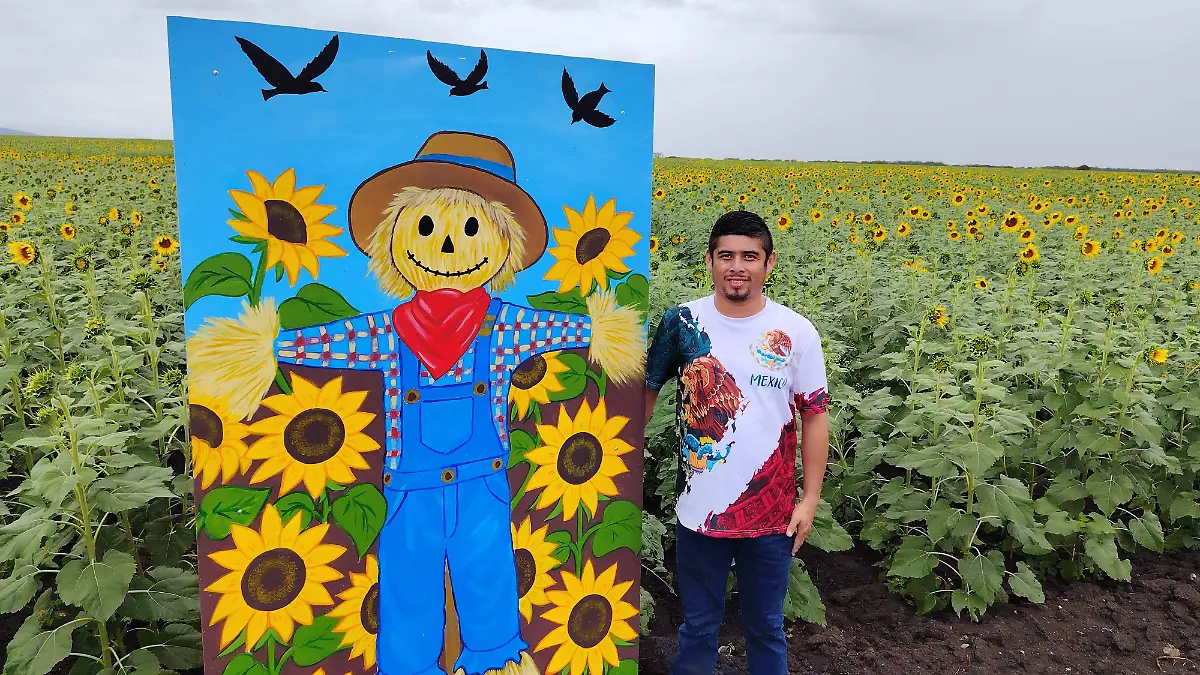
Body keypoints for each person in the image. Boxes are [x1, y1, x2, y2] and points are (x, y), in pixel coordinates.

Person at [644, 210, 830, 675]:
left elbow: (814, 415)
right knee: (698, 626)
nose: (737, 266)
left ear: (768, 264)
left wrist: (809, 498)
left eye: (750, 256)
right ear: (709, 261)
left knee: (766, 627)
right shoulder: (682, 321)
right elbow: (645, 391)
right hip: (698, 513)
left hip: (771, 517)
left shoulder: (796, 332)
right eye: (726, 255)